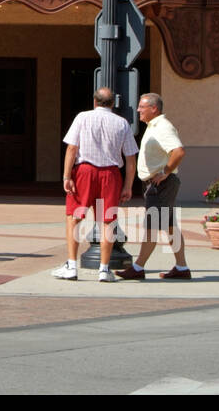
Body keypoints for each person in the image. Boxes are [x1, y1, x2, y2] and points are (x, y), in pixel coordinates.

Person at [53, 87, 137, 282]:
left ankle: (72, 266)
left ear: (95, 101)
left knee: (74, 217)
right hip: (111, 173)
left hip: (85, 171)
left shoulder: (82, 117)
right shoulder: (122, 123)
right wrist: (128, 185)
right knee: (108, 221)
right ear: (113, 103)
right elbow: (131, 158)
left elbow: (72, 148)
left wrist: (67, 176)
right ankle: (104, 269)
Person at [115, 93, 191, 279]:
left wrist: (165, 171)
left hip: (161, 185)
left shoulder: (163, 127)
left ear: (154, 108)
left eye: (142, 106)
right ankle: (182, 268)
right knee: (170, 226)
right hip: (160, 184)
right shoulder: (153, 126)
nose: (138, 110)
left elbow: (179, 151)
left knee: (151, 226)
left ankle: (138, 268)